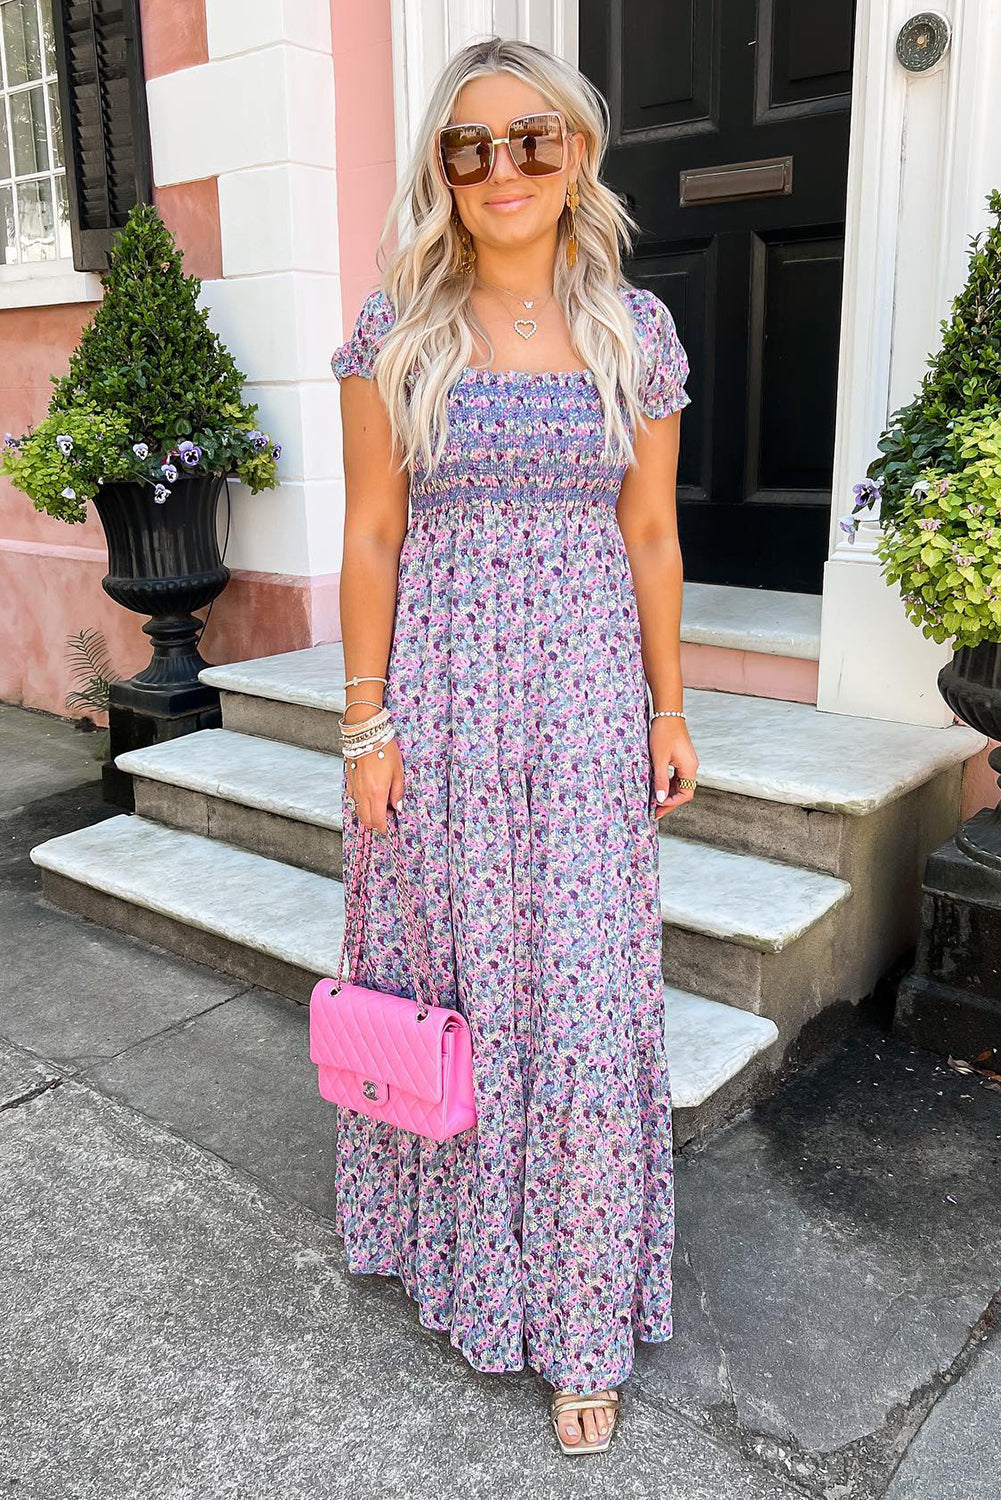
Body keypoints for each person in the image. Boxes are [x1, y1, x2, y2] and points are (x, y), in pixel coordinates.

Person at [329, 33, 697, 1455]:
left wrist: (669, 709)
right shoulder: (393, 331)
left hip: (590, 701)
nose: (501, 168)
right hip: (439, 699)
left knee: (583, 1007)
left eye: (531, 139)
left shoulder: (636, 330)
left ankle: (581, 1315)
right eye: (468, 145)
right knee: (452, 982)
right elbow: (370, 532)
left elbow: (651, 533)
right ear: (440, 168)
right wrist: (365, 722)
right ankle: (457, 1263)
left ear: (578, 155)